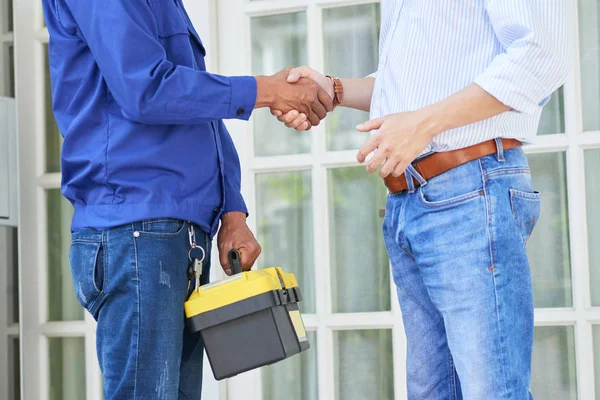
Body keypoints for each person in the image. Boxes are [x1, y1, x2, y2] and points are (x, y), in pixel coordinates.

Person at [41, 0, 333, 399]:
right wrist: (268, 90)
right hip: (135, 231)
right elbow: (146, 89)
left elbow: (196, 109)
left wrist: (232, 211)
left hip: (172, 234)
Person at [276, 1, 568, 398]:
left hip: (469, 189)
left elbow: (541, 56)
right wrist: (335, 89)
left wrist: (424, 123)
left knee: (492, 391)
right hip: (413, 202)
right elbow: (416, 88)